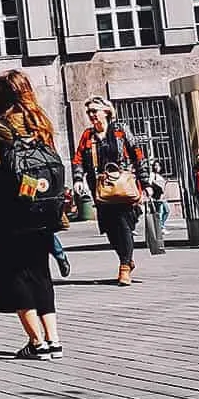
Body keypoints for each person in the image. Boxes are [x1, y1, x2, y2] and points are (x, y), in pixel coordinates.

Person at [0, 69, 66, 360]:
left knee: (13, 274)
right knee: (40, 273)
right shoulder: (40, 123)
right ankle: (53, 339)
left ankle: (36, 342)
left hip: (8, 212)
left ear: (0, 95)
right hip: (42, 210)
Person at [72, 98, 148, 285]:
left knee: (123, 225)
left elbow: (137, 153)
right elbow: (78, 159)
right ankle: (127, 259)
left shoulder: (121, 130)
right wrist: (78, 178)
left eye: (94, 110)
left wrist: (146, 183)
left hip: (124, 187)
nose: (91, 115)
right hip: (101, 190)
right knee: (110, 230)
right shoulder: (87, 136)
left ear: (106, 111)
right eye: (88, 111)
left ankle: (124, 268)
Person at [143, 156, 168, 257]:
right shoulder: (152, 175)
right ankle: (160, 227)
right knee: (158, 214)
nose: (157, 167)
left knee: (166, 211)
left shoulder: (159, 175)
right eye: (156, 165)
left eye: (159, 165)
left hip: (161, 197)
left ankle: (161, 226)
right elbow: (149, 184)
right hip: (155, 198)